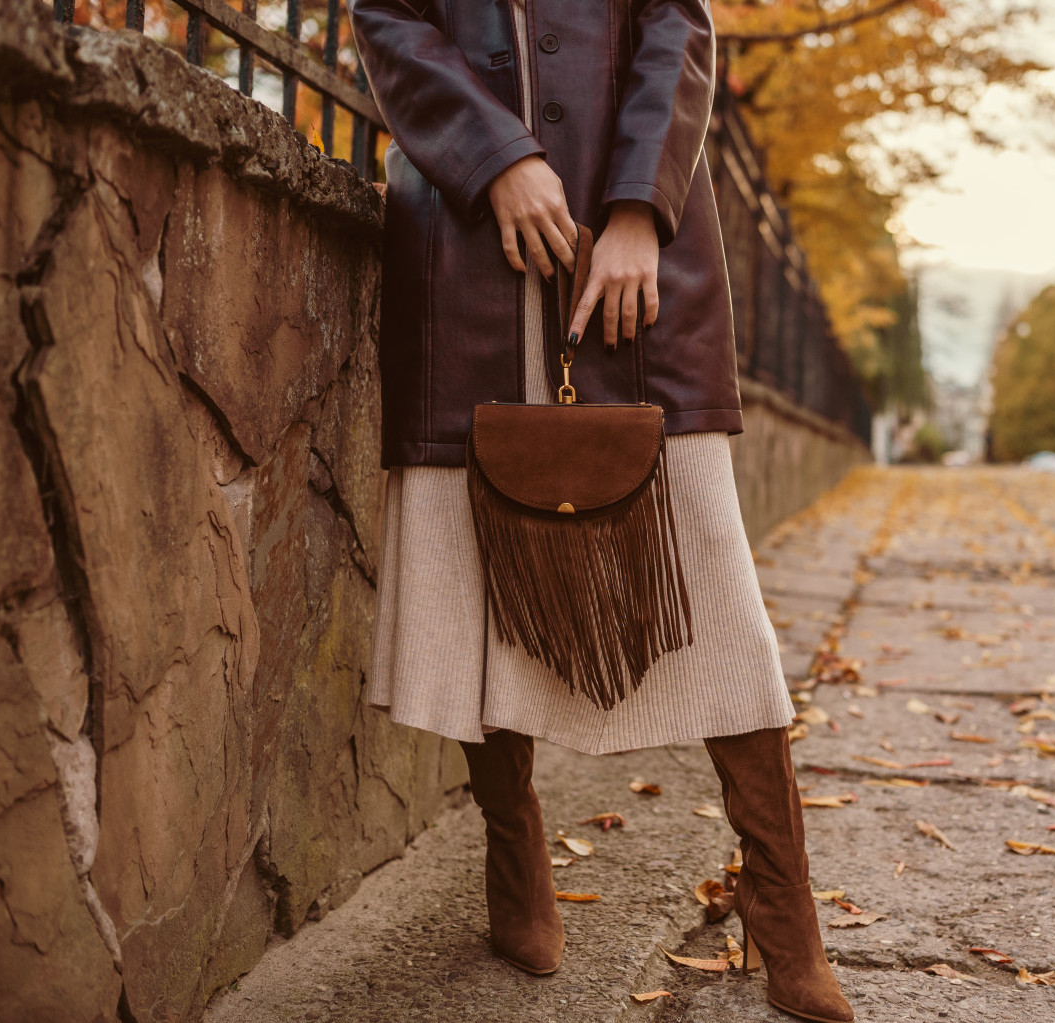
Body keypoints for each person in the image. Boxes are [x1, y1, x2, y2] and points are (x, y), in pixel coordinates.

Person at [349, 4, 854, 1021]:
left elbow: (676, 25)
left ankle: (780, 901)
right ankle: (513, 847)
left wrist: (637, 211)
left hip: (638, 258)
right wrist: (496, 156)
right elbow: (388, 19)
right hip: (462, 252)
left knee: (709, 575)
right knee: (473, 566)